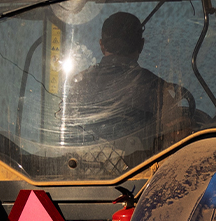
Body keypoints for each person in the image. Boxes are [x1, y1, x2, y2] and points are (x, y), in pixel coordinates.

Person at [67, 11, 202, 145]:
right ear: (141, 45)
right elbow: (178, 136)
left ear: (101, 45)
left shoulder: (78, 84)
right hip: (146, 166)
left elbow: (67, 131)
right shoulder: (158, 88)